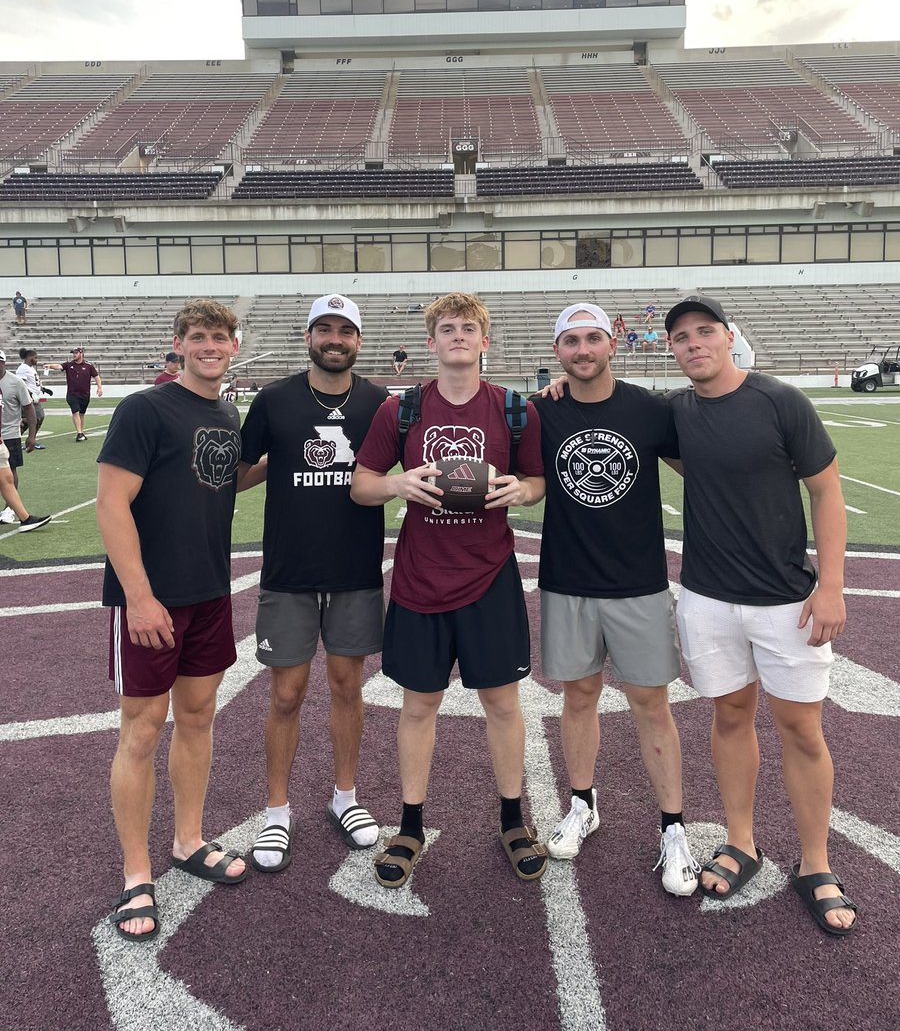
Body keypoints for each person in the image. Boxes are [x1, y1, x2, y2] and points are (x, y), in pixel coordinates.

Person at [664, 294, 857, 935]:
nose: (694, 344)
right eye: (682, 337)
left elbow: (827, 490)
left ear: (728, 337)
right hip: (708, 597)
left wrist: (830, 586)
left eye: (705, 332)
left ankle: (815, 863)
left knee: (802, 729)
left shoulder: (780, 401)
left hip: (785, 601)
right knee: (730, 716)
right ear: (671, 350)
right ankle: (742, 842)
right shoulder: (677, 414)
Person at [352, 292, 547, 888]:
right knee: (419, 705)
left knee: (503, 703)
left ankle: (513, 818)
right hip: (419, 578)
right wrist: (397, 484)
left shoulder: (516, 410)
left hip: (489, 577)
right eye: (446, 328)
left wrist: (523, 492)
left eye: (468, 328)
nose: (457, 336)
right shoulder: (401, 412)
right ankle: (410, 824)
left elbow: (538, 480)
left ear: (484, 342)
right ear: (432, 342)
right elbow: (360, 485)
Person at [530, 304, 698, 895]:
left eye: (593, 338)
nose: (582, 349)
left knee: (652, 703)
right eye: (571, 340)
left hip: (638, 583)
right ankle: (583, 802)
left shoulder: (650, 409)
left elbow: (698, 468)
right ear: (558, 351)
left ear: (613, 343)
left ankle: (673, 828)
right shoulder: (542, 410)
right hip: (568, 580)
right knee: (579, 696)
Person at [96, 299, 247, 943]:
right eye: (199, 337)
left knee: (197, 717)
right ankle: (137, 873)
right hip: (151, 599)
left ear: (235, 346)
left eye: (220, 337)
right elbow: (110, 502)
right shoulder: (143, 408)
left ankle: (188, 839)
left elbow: (219, 480)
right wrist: (139, 595)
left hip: (209, 592)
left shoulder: (227, 412)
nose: (210, 346)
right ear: (178, 345)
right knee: (141, 729)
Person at [238, 293, 388, 872]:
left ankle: (345, 798)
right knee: (285, 694)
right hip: (289, 572)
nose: (334, 338)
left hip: (354, 570)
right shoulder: (274, 399)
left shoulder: (378, 402)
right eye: (323, 328)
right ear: (308, 337)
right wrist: (285, 455)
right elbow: (240, 476)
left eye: (345, 330)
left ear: (357, 339)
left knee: (349, 688)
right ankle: (277, 811)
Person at [0, 357, 50, 532]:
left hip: (8, 435)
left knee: (8, 476)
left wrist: (31, 434)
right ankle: (24, 518)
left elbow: (28, 407)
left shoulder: (14, 382)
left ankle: (15, 513)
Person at [47, 346, 102, 440]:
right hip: (72, 394)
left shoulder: (88, 366)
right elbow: (59, 366)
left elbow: (96, 376)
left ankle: (81, 431)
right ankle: (79, 433)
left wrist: (99, 388)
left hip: (85, 394)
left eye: (76, 353)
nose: (74, 355)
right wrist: (50, 365)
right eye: (73, 353)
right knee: (75, 411)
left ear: (81, 353)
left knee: (81, 414)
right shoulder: (69, 365)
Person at [16, 348, 48, 447]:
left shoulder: (30, 368)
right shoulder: (23, 368)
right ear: (30, 357)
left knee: (31, 419)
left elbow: (33, 382)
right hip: (28, 399)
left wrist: (43, 389)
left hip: (33, 398)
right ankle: (26, 440)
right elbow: (21, 384)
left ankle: (29, 440)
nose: (37, 360)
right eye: (35, 357)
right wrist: (30, 394)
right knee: (36, 417)